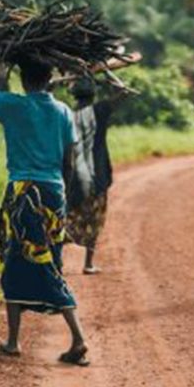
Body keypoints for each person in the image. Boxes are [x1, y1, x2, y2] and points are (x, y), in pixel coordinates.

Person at [0, 30, 90, 366]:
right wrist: (63, 198)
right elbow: (68, 161)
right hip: (53, 194)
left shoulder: (13, 105)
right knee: (41, 261)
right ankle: (12, 341)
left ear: (23, 78)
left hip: (23, 194)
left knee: (22, 264)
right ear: (51, 78)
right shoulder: (64, 111)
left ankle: (76, 339)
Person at [65, 53, 141, 274]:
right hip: (96, 175)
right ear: (94, 93)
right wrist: (107, 71)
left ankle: (58, 259)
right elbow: (123, 91)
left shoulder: (66, 113)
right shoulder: (100, 111)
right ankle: (88, 263)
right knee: (94, 219)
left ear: (73, 94)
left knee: (68, 215)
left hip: (71, 176)